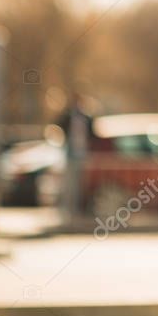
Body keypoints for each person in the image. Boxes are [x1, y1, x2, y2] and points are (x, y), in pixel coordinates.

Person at [56, 92, 95, 223]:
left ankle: (77, 210)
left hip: (83, 154)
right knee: (69, 183)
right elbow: (58, 124)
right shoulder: (68, 116)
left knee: (80, 184)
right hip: (70, 153)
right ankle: (66, 209)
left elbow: (93, 134)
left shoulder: (87, 118)